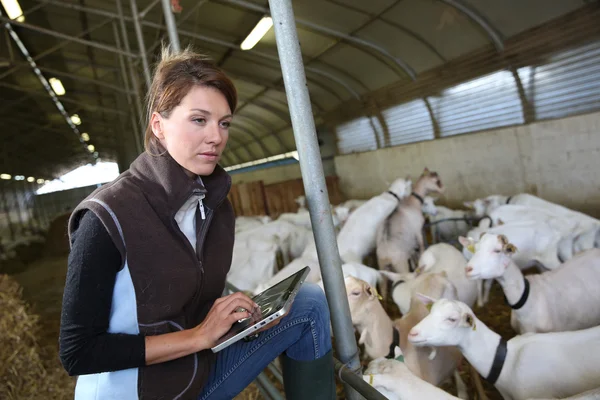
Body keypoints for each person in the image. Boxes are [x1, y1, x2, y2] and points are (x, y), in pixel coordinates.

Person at [59, 46, 336, 400]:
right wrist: (199, 336)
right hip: (135, 391)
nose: (216, 137)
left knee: (308, 302)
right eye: (199, 120)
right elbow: (77, 352)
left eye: (224, 123)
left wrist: (235, 317)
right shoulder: (106, 216)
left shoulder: (213, 205)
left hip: (191, 372)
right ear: (158, 126)